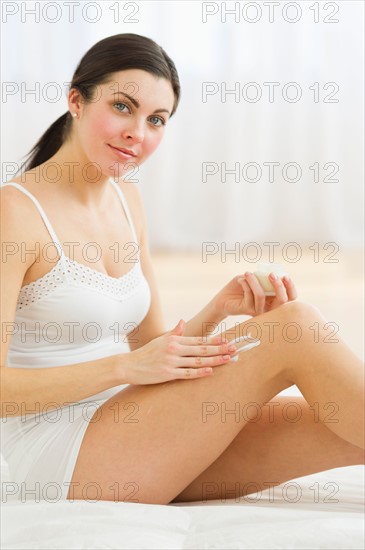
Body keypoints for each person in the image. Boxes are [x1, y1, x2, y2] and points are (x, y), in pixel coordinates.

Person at [1, 33, 364, 506]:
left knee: (335, 420)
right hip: (56, 456)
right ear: (76, 100)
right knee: (297, 326)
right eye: (123, 107)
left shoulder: (126, 200)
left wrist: (216, 312)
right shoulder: (14, 213)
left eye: (157, 119)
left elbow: (153, 349)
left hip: (130, 427)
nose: (139, 133)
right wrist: (124, 367)